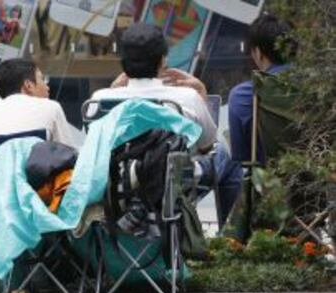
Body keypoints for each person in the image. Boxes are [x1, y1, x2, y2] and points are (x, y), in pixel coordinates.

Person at [92, 23, 242, 225]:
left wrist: (112, 91)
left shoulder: (99, 100)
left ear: (123, 62)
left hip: (121, 190)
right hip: (172, 190)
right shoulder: (186, 97)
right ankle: (232, 240)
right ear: (162, 60)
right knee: (225, 156)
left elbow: (98, 150)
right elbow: (207, 146)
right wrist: (201, 93)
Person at [228, 14, 296, 164]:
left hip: (271, 184)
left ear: (258, 52)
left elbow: (242, 159)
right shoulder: (321, 86)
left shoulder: (242, 96)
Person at [0, 58, 77, 148]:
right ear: (28, 85)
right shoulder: (50, 107)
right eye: (42, 79)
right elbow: (68, 153)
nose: (47, 87)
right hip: (31, 167)